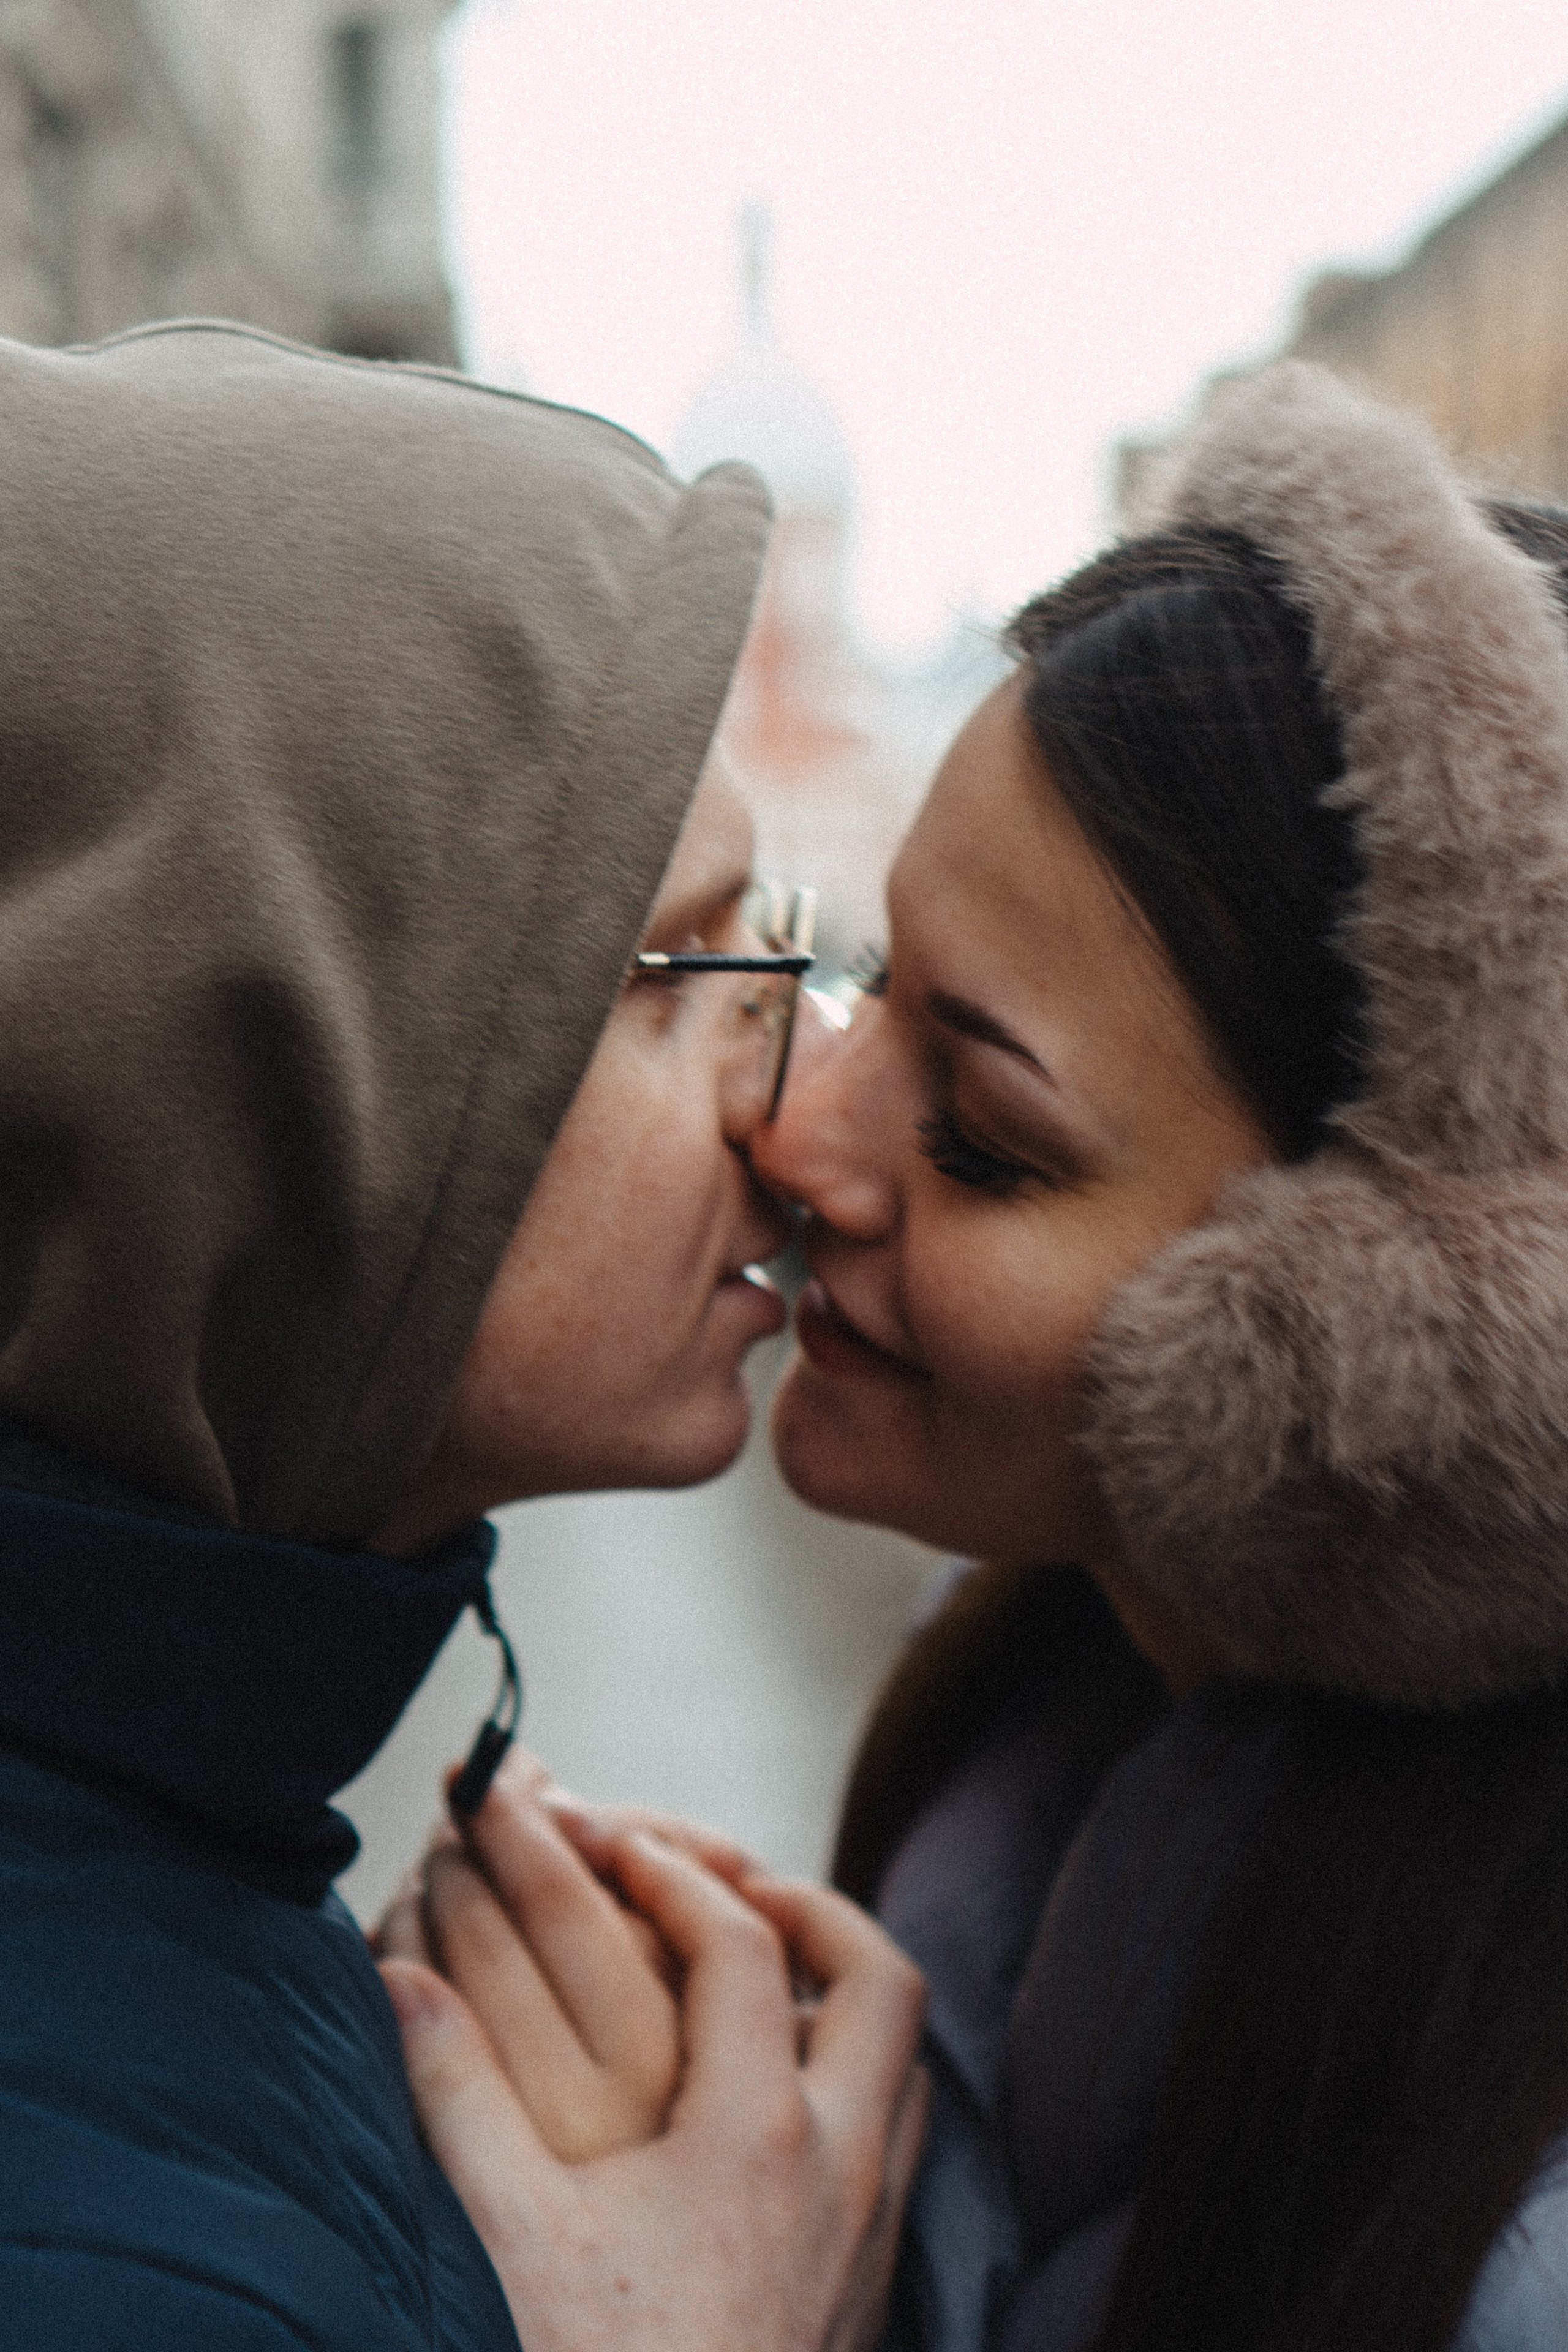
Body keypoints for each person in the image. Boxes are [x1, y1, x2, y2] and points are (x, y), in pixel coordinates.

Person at [394, 363, 1568, 2352]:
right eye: (861, 987)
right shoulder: (1052, 1728)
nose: (795, 1132)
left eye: (986, 1136)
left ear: (1410, 1375)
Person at [0, 318, 925, 2352]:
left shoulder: (173, 1820)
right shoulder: (113, 2247)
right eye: (693, 965)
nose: (805, 1103)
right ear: (287, 1077)